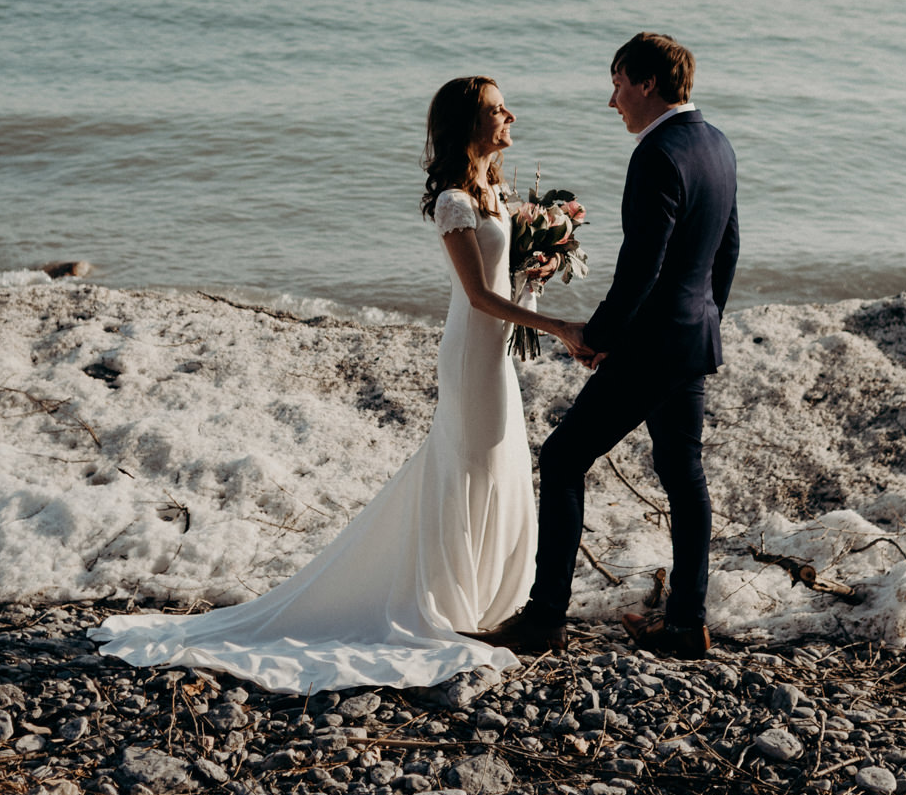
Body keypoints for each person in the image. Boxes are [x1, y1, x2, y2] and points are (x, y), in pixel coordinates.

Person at [87, 76, 581, 692]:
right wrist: (560, 327)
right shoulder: (455, 200)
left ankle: (486, 600)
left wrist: (538, 272)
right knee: (467, 466)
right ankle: (442, 603)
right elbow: (479, 297)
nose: (510, 114)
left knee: (498, 464)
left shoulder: (496, 193)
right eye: (495, 108)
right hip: (469, 355)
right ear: (467, 124)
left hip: (495, 356)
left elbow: (503, 286)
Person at [471, 32, 739, 660]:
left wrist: (597, 335)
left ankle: (543, 619)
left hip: (650, 344)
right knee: (683, 473)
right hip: (691, 338)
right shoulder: (716, 144)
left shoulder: (657, 153)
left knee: (564, 458)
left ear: (647, 83)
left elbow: (641, 264)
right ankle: (685, 624)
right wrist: (704, 321)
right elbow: (727, 250)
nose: (612, 98)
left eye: (618, 83)